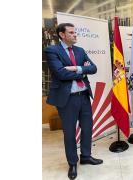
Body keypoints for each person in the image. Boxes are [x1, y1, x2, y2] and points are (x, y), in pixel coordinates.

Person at [44, 23, 103, 180]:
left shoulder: (80, 51)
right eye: (71, 32)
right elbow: (60, 74)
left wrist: (75, 68)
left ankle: (85, 156)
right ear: (62, 35)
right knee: (69, 133)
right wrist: (82, 71)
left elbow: (94, 68)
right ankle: (72, 163)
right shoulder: (52, 50)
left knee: (87, 128)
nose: (75, 35)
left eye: (75, 32)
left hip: (83, 96)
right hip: (67, 99)